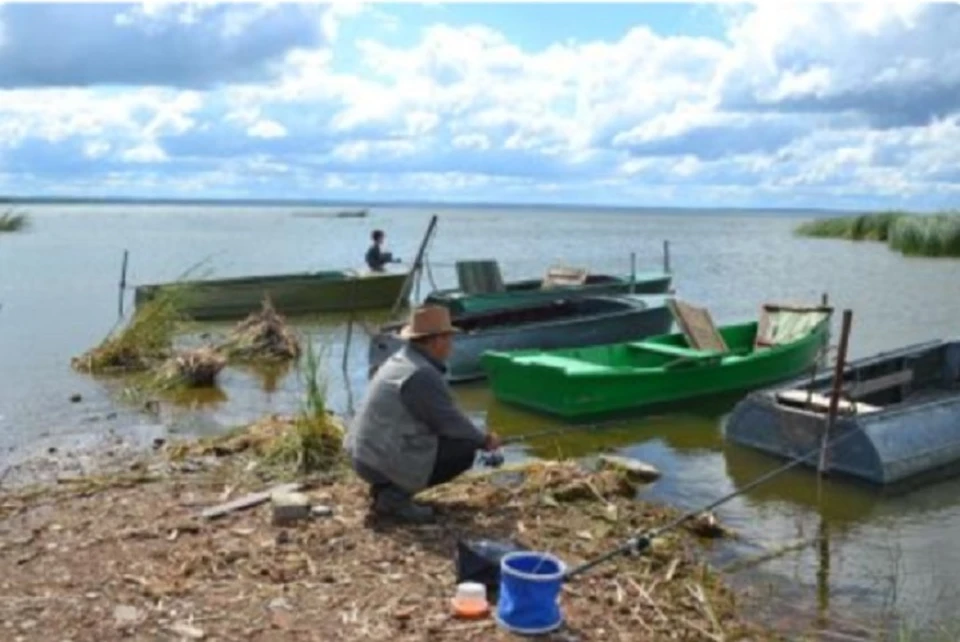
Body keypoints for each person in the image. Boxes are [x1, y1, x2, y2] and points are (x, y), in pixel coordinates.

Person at [344, 305, 501, 523]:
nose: (451, 346)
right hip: (376, 459)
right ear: (436, 341)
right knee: (464, 449)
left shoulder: (402, 359)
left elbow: (441, 417)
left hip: (363, 454)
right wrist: (484, 440)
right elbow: (450, 422)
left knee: (452, 439)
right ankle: (395, 499)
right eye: (448, 339)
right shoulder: (421, 373)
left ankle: (387, 489)